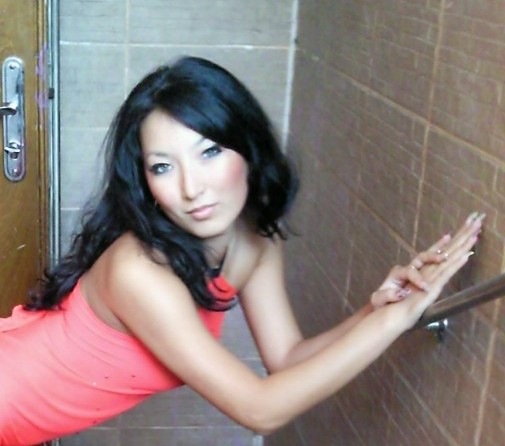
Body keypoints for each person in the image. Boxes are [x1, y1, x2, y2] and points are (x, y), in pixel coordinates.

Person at [0, 56, 484, 445]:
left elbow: (287, 359)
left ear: (247, 147)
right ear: (145, 182)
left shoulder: (254, 243)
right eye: (163, 167)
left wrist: (377, 311)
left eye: (209, 152)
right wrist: (392, 322)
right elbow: (259, 409)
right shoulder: (138, 270)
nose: (192, 188)